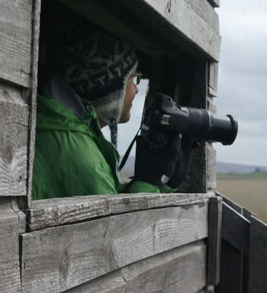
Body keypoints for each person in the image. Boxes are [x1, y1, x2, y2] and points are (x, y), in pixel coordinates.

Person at [32, 28, 192, 200]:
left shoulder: (62, 133)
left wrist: (164, 184)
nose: (137, 89)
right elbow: (119, 224)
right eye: (132, 78)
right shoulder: (86, 161)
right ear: (109, 90)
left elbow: (108, 196)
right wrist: (149, 183)